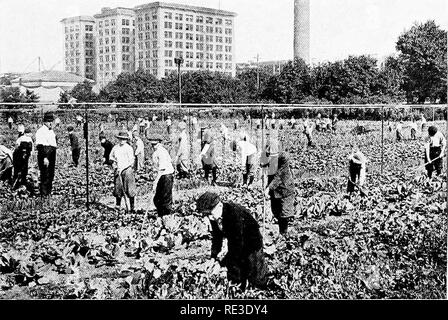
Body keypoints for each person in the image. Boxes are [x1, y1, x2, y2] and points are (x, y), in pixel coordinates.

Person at [196, 192, 268, 290]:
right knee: (234, 274)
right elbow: (217, 238)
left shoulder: (234, 214)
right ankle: (237, 291)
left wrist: (220, 263)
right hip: (237, 242)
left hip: (251, 243)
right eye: (206, 214)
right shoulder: (215, 216)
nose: (209, 217)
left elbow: (237, 245)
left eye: (210, 213)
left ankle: (260, 292)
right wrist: (213, 257)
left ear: (220, 205)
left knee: (255, 275)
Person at [263, 150, 295, 236]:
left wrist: (268, 188)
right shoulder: (268, 154)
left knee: (284, 213)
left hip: (285, 189)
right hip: (274, 190)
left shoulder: (284, 158)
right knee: (276, 212)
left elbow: (279, 177)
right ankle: (282, 233)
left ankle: (284, 234)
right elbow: (266, 168)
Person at [109, 131, 137, 213]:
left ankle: (132, 207)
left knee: (130, 189)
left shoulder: (129, 148)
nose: (122, 141)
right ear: (118, 139)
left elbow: (131, 161)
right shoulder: (115, 147)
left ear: (126, 140)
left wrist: (123, 168)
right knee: (118, 188)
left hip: (127, 169)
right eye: (120, 139)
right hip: (118, 169)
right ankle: (118, 205)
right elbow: (111, 157)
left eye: (124, 139)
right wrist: (114, 165)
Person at [148, 135, 175, 217]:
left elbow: (162, 169)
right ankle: (160, 215)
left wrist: (156, 181)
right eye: (152, 145)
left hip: (166, 176)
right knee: (157, 198)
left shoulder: (162, 152)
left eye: (155, 144)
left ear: (160, 143)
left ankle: (166, 217)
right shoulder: (155, 152)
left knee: (165, 198)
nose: (153, 146)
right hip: (161, 176)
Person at [36, 112, 57, 197]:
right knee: (45, 174)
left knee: (51, 174)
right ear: (44, 122)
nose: (50, 123)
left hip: (52, 152)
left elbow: (53, 144)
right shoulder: (41, 131)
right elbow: (40, 146)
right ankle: (44, 194)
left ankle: (48, 193)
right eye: (48, 121)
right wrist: (45, 157)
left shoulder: (51, 131)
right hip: (45, 153)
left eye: (51, 121)